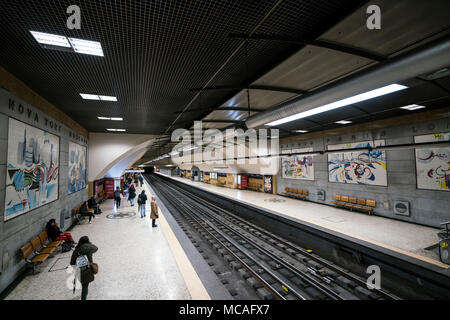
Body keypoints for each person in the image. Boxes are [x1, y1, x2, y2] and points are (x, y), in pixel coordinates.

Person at [70, 236, 98, 300]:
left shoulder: (76, 251)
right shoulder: (89, 249)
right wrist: (89, 244)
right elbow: (96, 248)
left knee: (84, 285)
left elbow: (72, 263)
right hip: (88, 269)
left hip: (79, 271)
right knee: (85, 286)